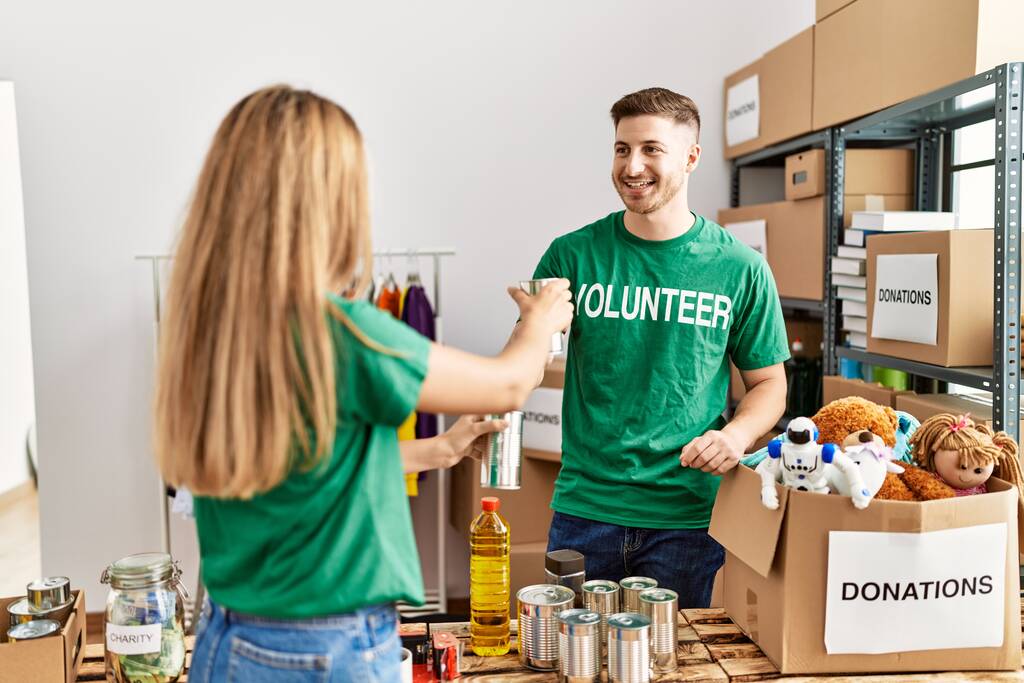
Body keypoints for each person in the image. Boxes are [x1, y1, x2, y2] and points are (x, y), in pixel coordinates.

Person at [153, 85, 573, 682]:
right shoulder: (342, 333)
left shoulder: (215, 331)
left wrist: (438, 449)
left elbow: (301, 465)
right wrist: (541, 319)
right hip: (324, 650)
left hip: (228, 639)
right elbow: (507, 385)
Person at [533, 87, 789, 607]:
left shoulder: (740, 268)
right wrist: (525, 339)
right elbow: (529, 360)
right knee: (575, 663)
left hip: (687, 518)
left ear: (692, 157)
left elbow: (769, 383)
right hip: (586, 511)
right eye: (622, 149)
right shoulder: (572, 256)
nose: (632, 166)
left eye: (652, 149)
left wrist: (738, 434)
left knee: (673, 664)